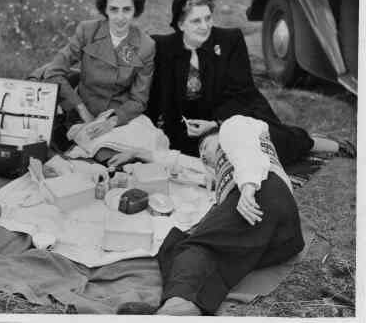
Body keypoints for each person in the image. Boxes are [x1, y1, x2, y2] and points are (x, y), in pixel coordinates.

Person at [111, 115, 305, 315]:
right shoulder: (221, 167)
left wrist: (248, 187)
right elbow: (180, 162)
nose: (202, 154)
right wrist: (137, 152)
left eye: (205, 146)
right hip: (280, 239)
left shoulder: (234, 127)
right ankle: (177, 304)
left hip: (260, 196)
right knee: (176, 246)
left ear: (219, 135)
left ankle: (176, 308)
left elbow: (244, 148)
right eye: (200, 152)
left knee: (195, 248)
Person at [146, 0, 355, 166]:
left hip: (233, 112)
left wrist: (217, 124)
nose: (204, 26)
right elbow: (155, 96)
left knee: (265, 146)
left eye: (208, 18)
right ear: (181, 25)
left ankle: (318, 143)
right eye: (196, 21)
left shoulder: (230, 40)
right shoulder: (162, 48)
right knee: (209, 161)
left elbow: (242, 91)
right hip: (186, 126)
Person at [34, 0, 155, 150]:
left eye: (127, 9)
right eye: (113, 9)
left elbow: (139, 100)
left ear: (136, 11)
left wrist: (112, 121)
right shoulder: (87, 31)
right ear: (104, 10)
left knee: (131, 152)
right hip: (81, 113)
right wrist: (81, 110)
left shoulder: (146, 45)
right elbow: (54, 72)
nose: (120, 17)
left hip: (118, 118)